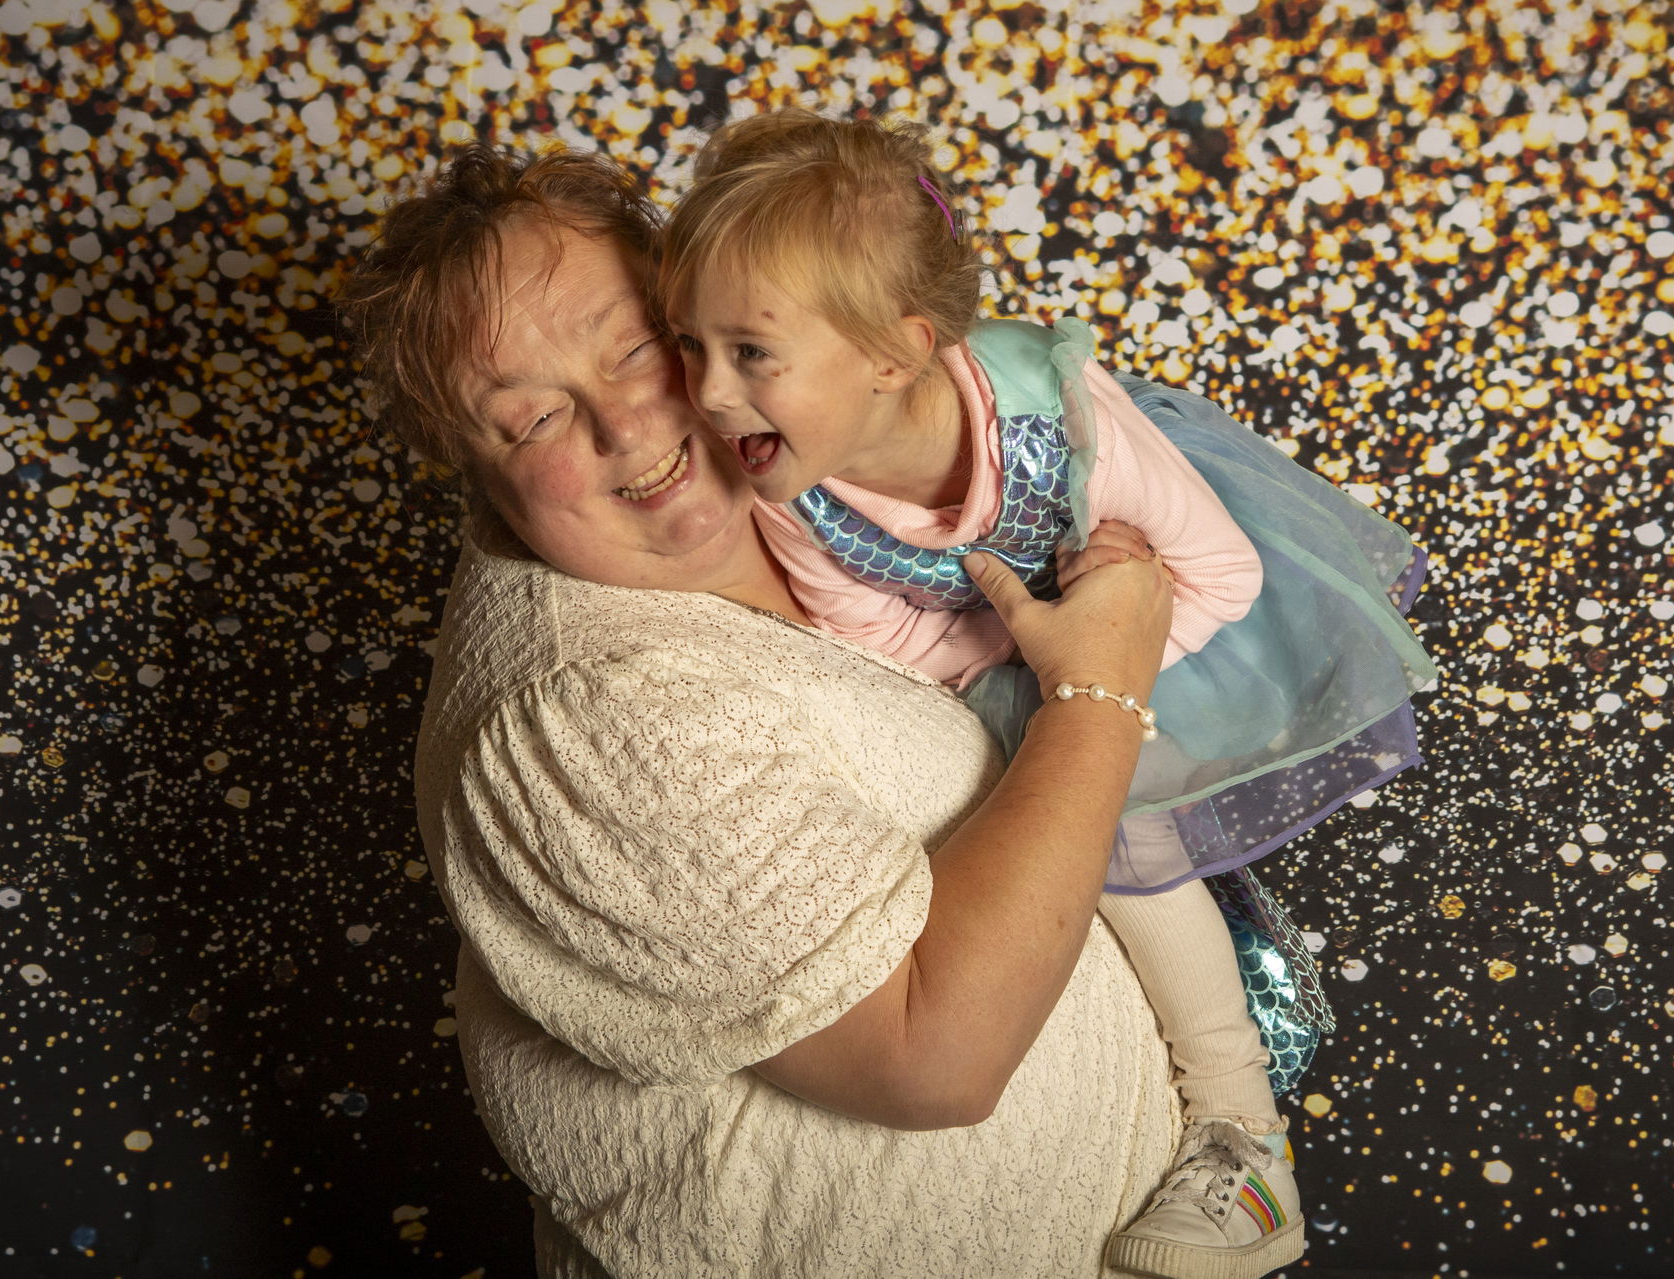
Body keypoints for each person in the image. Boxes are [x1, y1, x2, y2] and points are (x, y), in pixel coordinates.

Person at [341, 141, 1197, 1277]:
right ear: (471, 468)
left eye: (638, 348)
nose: (628, 428)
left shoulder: (810, 495)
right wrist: (1098, 694)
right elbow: (929, 1059)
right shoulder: (585, 714)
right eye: (534, 420)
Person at [660, 107, 1437, 1278]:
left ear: (896, 351)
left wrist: (1083, 685)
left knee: (1132, 850)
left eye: (751, 352)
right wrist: (1010, 674)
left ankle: (1248, 1142)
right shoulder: (785, 486)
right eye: (688, 345)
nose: (709, 396)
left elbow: (1219, 575)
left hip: (1168, 641)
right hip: (1009, 675)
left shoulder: (1060, 421)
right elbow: (871, 629)